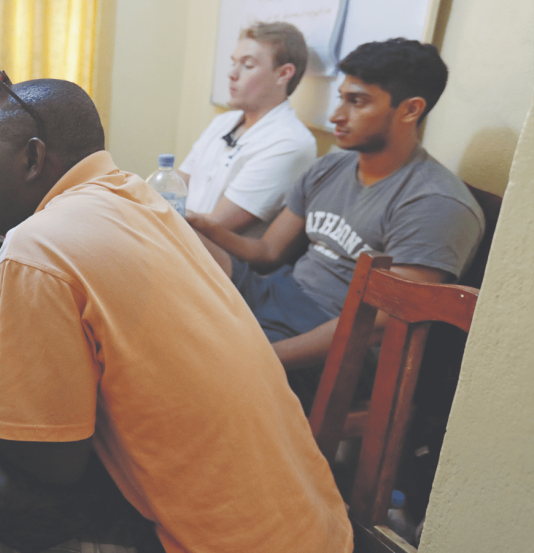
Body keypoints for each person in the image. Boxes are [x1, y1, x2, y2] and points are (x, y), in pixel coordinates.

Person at [0, 75, 351, 552]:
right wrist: (1, 326)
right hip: (315, 527)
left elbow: (54, 461)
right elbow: (130, 339)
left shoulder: (35, 245)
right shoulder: (139, 197)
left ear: (32, 158)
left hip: (213, 542)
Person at [188, 38, 484, 407]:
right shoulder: (332, 167)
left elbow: (380, 324)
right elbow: (267, 251)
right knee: (167, 262)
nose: (336, 116)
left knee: (189, 362)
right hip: (277, 294)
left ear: (410, 110)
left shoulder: (435, 203)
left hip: (334, 342)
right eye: (341, 97)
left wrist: (264, 356)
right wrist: (199, 227)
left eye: (356, 101)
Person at [177, 22, 317, 236]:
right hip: (178, 236)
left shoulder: (290, 142)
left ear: (283, 74)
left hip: (215, 258)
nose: (232, 74)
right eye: (233, 63)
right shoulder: (223, 123)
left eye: (247, 65)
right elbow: (174, 187)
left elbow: (217, 225)